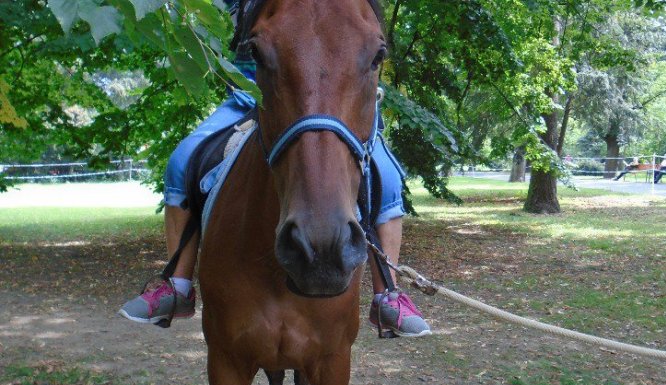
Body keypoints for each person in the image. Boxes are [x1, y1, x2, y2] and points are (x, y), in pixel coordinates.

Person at [118, 2, 431, 338]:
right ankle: (177, 283)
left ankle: (388, 292)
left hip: (333, 92)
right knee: (183, 159)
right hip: (252, 89)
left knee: (387, 175)